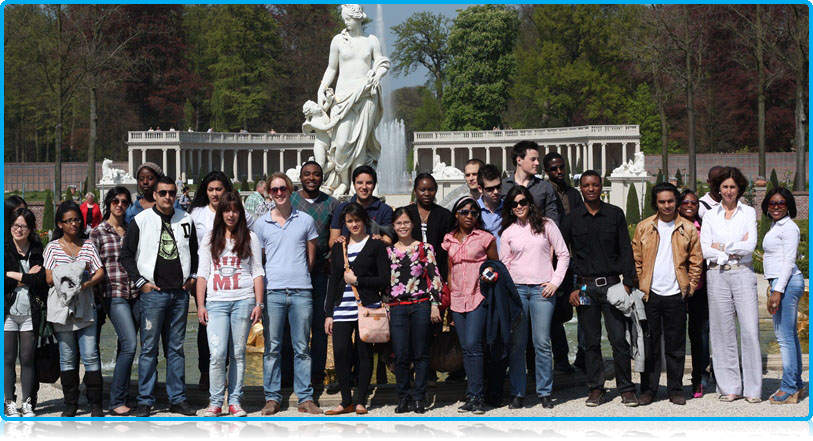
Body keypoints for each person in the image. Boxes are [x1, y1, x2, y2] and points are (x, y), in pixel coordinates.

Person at [120, 176, 198, 417]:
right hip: (153, 293)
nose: (167, 197)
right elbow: (126, 255)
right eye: (163, 193)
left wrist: (192, 276)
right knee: (149, 349)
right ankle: (145, 399)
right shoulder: (141, 220)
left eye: (172, 193)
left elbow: (194, 251)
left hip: (179, 292)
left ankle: (177, 399)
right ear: (154, 195)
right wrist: (141, 282)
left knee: (176, 349)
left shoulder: (186, 218)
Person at [560, 170, 637, 407]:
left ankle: (626, 387)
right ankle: (596, 388)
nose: (590, 189)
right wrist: (571, 288)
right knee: (590, 342)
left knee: (619, 340)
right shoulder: (571, 220)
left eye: (594, 185)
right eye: (586, 185)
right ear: (580, 188)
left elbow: (626, 249)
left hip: (613, 285)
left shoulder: (615, 215)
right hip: (584, 288)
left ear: (600, 186)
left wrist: (628, 283)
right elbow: (564, 256)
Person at [251, 173, 322, 415]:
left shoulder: (305, 220)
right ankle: (272, 398)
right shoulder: (261, 225)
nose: (279, 193)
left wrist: (298, 273)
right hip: (273, 291)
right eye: (274, 190)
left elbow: (310, 257)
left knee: (302, 347)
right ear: (269, 193)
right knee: (272, 347)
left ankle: (305, 397)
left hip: (301, 289)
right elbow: (258, 261)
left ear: (290, 191)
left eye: (283, 189)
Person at [631, 183, 703, 406]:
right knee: (650, 345)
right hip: (650, 294)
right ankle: (649, 389)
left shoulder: (688, 228)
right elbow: (636, 259)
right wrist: (641, 284)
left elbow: (696, 261)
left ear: (676, 202)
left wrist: (689, 287)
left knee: (676, 345)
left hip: (675, 294)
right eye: (662, 201)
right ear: (656, 203)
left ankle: (675, 389)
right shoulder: (644, 227)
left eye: (670, 201)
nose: (667, 205)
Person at [499, 186, 569, 410]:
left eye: (522, 202)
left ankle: (545, 391)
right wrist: (511, 292)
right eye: (514, 204)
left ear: (529, 203)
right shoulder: (508, 232)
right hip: (518, 291)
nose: (519, 206)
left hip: (542, 290)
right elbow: (505, 265)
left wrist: (555, 282)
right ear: (510, 208)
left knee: (542, 343)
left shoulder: (547, 224)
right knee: (517, 344)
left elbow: (564, 254)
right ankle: (518, 393)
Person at [196, 191, 264, 417]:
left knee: (237, 353)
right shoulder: (209, 237)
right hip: (216, 302)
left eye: (235, 210)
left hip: (243, 300)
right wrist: (200, 305)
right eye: (227, 210)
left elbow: (257, 272)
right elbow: (203, 273)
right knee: (217, 354)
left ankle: (234, 401)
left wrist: (259, 303)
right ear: (221, 213)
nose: (231, 214)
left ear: (240, 213)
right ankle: (215, 402)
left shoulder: (251, 238)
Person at [700, 166, 760, 403]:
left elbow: (750, 245)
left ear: (739, 188)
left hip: (742, 272)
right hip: (716, 274)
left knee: (749, 329)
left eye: (733, 187)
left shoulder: (748, 213)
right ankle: (729, 387)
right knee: (721, 331)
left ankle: (753, 389)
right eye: (725, 186)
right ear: (718, 188)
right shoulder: (710, 215)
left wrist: (721, 247)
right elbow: (704, 248)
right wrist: (729, 249)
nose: (728, 191)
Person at [317, 4, 390, 196]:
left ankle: (355, 184)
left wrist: (378, 74)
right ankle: (342, 181)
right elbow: (332, 69)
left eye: (347, 19)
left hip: (366, 95)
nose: (345, 22)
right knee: (341, 143)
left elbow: (382, 62)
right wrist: (322, 87)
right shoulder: (338, 41)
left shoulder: (371, 41)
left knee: (360, 147)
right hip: (343, 97)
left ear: (357, 18)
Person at [324, 203, 389, 415]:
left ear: (365, 221)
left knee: (364, 354)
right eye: (349, 221)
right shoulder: (339, 246)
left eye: (357, 220)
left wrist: (358, 280)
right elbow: (333, 280)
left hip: (367, 306)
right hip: (342, 307)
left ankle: (360, 399)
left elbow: (384, 279)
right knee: (341, 352)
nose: (354, 225)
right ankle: (346, 400)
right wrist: (328, 313)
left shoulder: (376, 245)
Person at [44, 201, 105, 417]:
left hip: (86, 305)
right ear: (60, 224)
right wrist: (79, 271)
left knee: (90, 355)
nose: (74, 224)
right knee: (67, 356)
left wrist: (85, 283)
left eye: (77, 220)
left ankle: (96, 403)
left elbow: (99, 271)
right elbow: (49, 278)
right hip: (62, 308)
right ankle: (71, 404)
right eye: (69, 220)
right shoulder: (52, 247)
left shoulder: (87, 245)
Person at [442, 197, 500, 414]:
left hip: (478, 295)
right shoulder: (449, 239)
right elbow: (449, 270)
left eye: (474, 213)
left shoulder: (486, 238)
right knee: (466, 347)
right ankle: (472, 393)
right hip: (457, 298)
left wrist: (490, 275)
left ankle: (478, 396)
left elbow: (496, 267)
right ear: (456, 214)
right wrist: (449, 297)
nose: (469, 216)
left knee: (474, 344)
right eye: (464, 212)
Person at [388, 207, 444, 414]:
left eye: (406, 222)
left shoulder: (424, 248)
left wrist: (434, 304)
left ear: (412, 225)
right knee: (401, 354)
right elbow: (385, 284)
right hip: (397, 307)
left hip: (420, 304)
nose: (402, 226)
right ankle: (403, 397)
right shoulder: (388, 251)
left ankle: (420, 397)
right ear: (393, 226)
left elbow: (434, 276)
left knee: (421, 354)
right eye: (398, 223)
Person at [189, 171, 241, 390]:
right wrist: (192, 277)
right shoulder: (197, 214)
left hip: (230, 277)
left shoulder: (235, 212)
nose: (214, 193)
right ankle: (205, 372)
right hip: (205, 277)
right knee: (205, 326)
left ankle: (226, 372)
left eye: (219, 189)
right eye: (210, 189)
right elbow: (190, 247)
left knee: (230, 329)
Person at [89, 186, 139, 416]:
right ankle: (116, 401)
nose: (120, 205)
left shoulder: (131, 230)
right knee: (130, 344)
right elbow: (92, 265)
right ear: (108, 203)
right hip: (114, 294)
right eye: (116, 201)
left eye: (125, 202)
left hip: (135, 294)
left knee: (124, 346)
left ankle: (122, 395)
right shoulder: (98, 232)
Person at [289, 161, 339, 387]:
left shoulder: (332, 204)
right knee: (294, 326)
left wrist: (330, 260)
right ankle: (291, 374)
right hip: (294, 272)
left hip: (321, 272)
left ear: (322, 177)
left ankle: (316, 373)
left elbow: (336, 238)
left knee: (319, 326)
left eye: (316, 174)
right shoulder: (290, 201)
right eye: (307, 174)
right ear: (301, 176)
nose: (312, 178)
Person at [762, 188, 806, 404]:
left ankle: (788, 387)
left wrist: (777, 291)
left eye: (781, 203)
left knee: (784, 338)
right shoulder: (776, 226)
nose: (776, 206)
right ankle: (796, 384)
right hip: (781, 283)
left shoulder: (789, 228)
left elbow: (789, 262)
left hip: (786, 283)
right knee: (790, 336)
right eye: (772, 203)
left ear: (789, 205)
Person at [542, 151, 583, 374]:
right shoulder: (544, 193)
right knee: (555, 311)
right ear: (546, 171)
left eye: (561, 168)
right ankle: (560, 360)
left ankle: (583, 357)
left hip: (574, 258)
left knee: (583, 307)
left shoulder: (574, 195)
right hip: (553, 260)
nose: (559, 172)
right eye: (554, 169)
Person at [4, 208, 48, 417]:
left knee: (28, 357)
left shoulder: (37, 250)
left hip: (31, 311)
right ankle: (9, 401)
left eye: (23, 226)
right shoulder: (5, 249)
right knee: (8, 358)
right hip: (8, 312)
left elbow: (40, 282)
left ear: (31, 229)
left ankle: (28, 402)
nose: (18, 230)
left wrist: (14, 275)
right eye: (15, 225)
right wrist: (25, 277)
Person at [677, 189, 711, 398]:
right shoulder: (672, 225)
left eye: (694, 202)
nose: (690, 205)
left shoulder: (704, 226)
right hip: (676, 288)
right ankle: (676, 379)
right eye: (686, 202)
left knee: (699, 334)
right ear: (680, 204)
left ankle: (699, 377)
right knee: (677, 335)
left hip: (699, 287)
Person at [329, 166, 394, 247]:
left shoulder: (384, 209)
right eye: (359, 183)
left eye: (369, 183)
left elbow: (388, 241)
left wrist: (379, 241)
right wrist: (339, 241)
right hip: (347, 255)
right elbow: (332, 242)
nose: (364, 187)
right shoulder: (342, 208)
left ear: (374, 185)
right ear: (354, 185)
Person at [404, 173, 453, 278]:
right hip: (410, 268)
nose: (426, 193)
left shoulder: (444, 214)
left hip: (438, 269)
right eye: (422, 190)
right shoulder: (406, 213)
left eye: (431, 190)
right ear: (415, 191)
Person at [501, 141, 559, 225]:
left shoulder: (545, 187)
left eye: (537, 159)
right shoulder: (503, 186)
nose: (537, 163)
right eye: (533, 159)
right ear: (519, 160)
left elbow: (552, 220)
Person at [477, 164, 505, 249]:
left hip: (505, 260)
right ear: (480, 189)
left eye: (498, 187)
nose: (496, 192)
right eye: (490, 189)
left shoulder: (509, 208)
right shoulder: (473, 210)